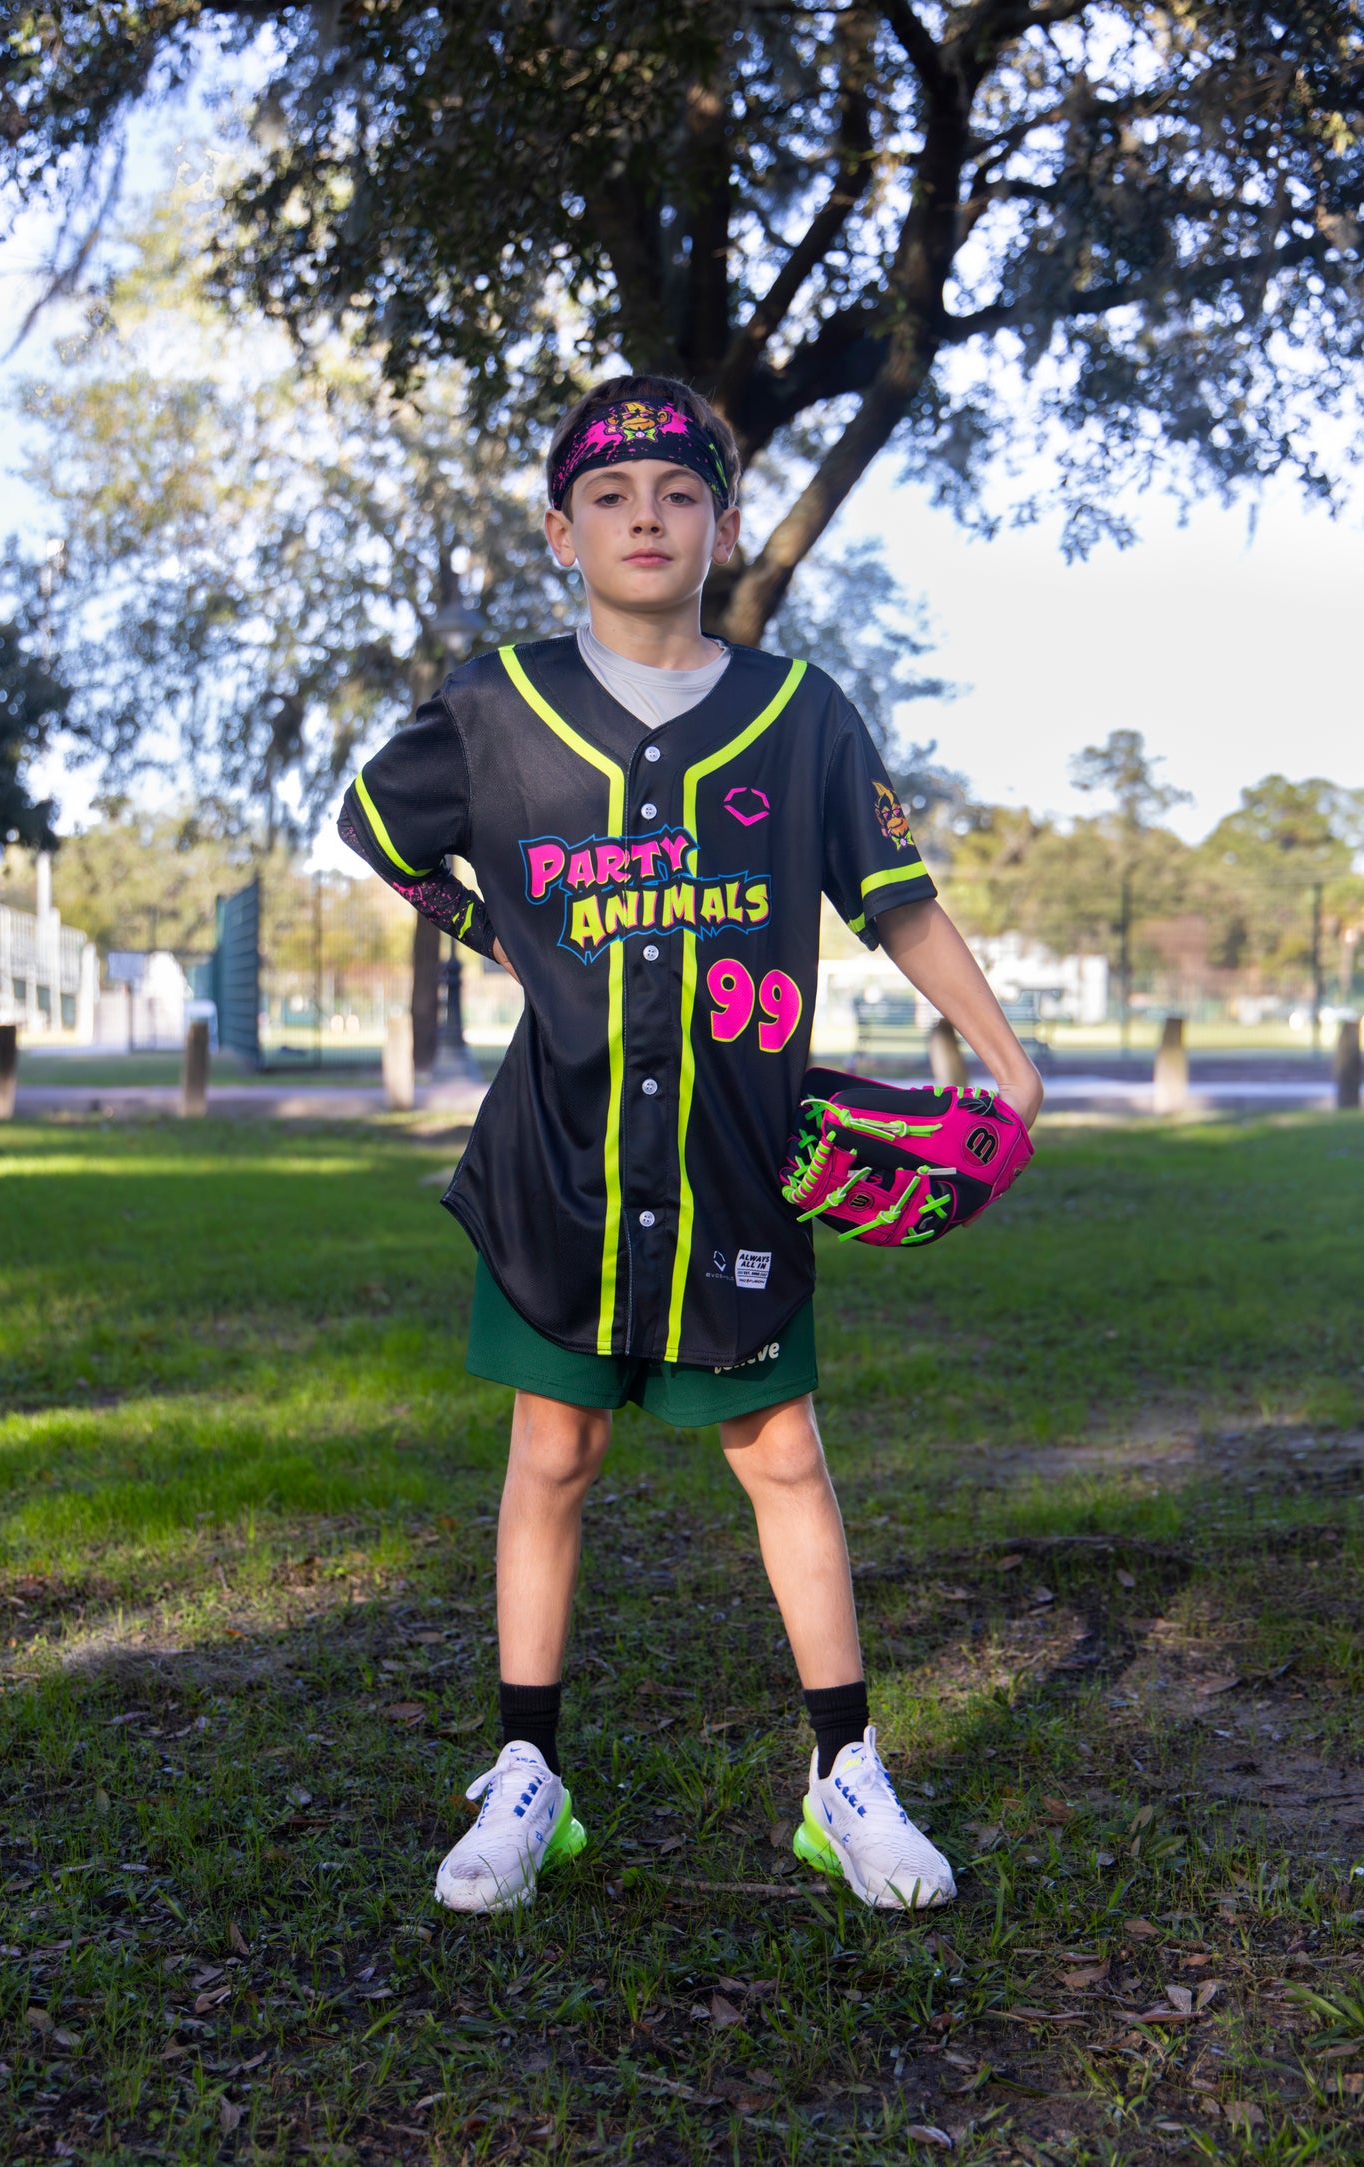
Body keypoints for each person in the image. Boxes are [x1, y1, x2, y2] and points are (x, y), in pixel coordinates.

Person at [338, 374, 1043, 1917]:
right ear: (559, 531)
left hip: (734, 1151)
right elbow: (380, 829)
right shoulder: (494, 707)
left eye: (675, 495)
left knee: (782, 1455)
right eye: (609, 497)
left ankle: (842, 1775)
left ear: (722, 527)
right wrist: (489, 932)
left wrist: (1001, 1058)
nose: (643, 518)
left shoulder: (799, 718)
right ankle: (525, 1772)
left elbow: (897, 897)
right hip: (559, 1162)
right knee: (553, 1452)